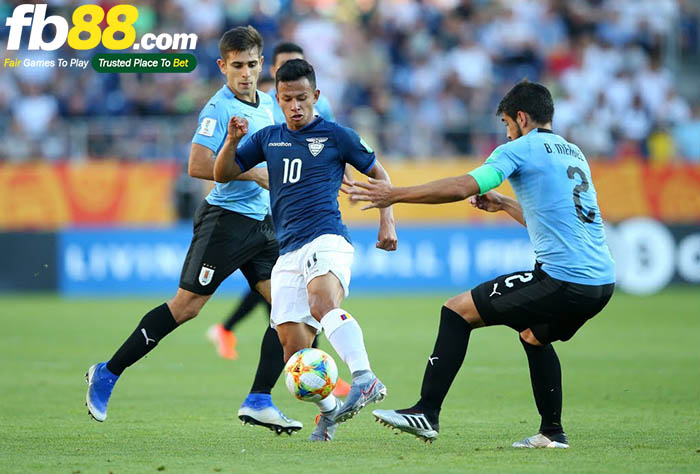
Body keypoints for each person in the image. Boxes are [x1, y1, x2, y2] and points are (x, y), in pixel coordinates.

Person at [350, 80, 615, 448]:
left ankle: (426, 412)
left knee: (457, 311)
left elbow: (464, 186)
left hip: (563, 280)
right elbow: (555, 220)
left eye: (507, 124)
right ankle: (551, 433)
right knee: (534, 335)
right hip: (601, 282)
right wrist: (505, 204)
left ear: (521, 118)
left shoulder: (521, 149)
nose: (506, 134)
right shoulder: (572, 153)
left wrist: (395, 194)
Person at [85, 26, 304, 435]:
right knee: (186, 307)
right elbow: (198, 166)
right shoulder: (217, 110)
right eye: (236, 66)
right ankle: (108, 372)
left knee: (288, 309)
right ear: (223, 66)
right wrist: (256, 174)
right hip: (224, 222)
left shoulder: (269, 107)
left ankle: (259, 399)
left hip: (262, 224)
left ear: (262, 66)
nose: (245, 73)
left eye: (252, 65)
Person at [212, 59, 398, 441]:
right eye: (286, 99)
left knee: (322, 304)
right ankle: (329, 412)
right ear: (277, 100)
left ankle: (364, 376)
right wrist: (231, 141)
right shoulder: (267, 138)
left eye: (301, 98)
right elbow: (222, 173)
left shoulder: (337, 135)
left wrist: (387, 220)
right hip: (288, 252)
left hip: (327, 238)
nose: (295, 106)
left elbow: (380, 174)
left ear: (316, 96)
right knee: (294, 354)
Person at [206, 41, 352, 399]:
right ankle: (310, 377)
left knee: (301, 298)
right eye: (281, 71)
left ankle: (320, 376)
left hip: (310, 220)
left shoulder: (320, 111)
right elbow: (224, 168)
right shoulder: (265, 109)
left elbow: (332, 146)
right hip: (275, 217)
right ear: (273, 73)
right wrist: (241, 154)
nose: (293, 102)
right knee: (283, 298)